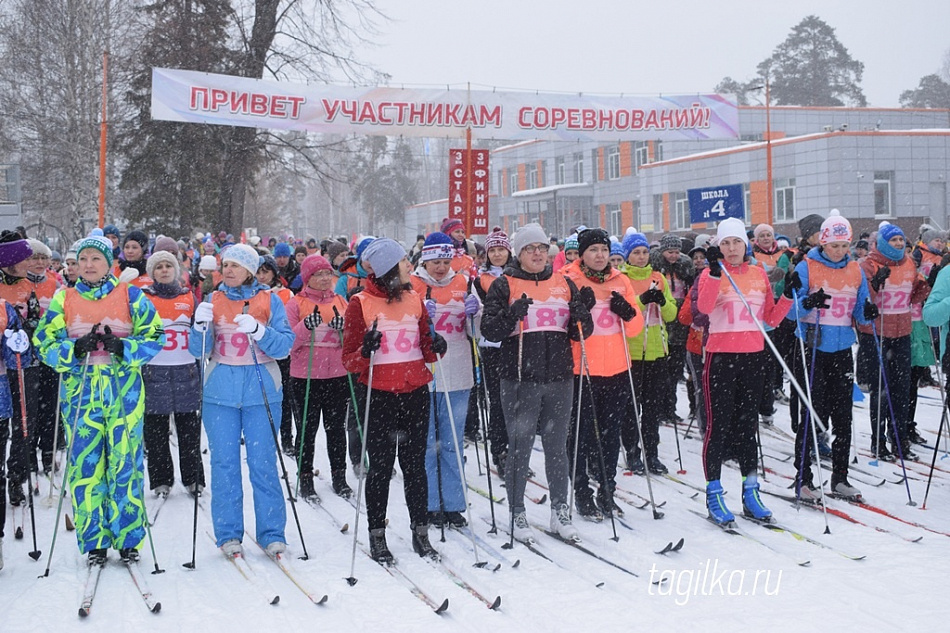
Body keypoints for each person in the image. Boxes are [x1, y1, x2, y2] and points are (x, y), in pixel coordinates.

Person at [33, 232, 164, 563]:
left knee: (125, 463)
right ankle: (95, 540)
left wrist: (125, 347)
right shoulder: (65, 298)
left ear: (110, 264)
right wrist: (74, 349)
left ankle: (129, 537)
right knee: (86, 466)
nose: (88, 265)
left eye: (96, 259)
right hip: (82, 393)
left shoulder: (131, 295)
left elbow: (156, 335)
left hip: (124, 391)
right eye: (82, 260)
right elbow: (44, 343)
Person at [481, 223, 593, 543]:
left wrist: (582, 314)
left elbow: (581, 333)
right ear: (519, 253)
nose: (538, 254)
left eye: (542, 248)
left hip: (559, 376)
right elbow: (490, 331)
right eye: (531, 249)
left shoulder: (564, 282)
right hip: (519, 378)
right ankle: (517, 511)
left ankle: (560, 510)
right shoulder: (505, 284)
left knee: (557, 447)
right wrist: (510, 316)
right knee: (520, 447)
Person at [341, 238, 445, 563]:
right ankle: (377, 535)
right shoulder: (359, 303)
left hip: (414, 391)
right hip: (380, 393)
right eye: (403, 262)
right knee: (381, 468)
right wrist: (365, 350)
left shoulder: (415, 297)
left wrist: (436, 343)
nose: (409, 266)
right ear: (389, 268)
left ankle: (420, 532)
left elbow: (427, 349)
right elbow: (349, 360)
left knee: (415, 467)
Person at [189, 244, 294, 558]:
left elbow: (285, 346)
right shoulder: (212, 300)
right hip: (220, 391)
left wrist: (261, 331)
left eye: (236, 265)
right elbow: (198, 351)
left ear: (250, 269)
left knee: (263, 464)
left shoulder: (269, 300)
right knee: (224, 465)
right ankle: (228, 533)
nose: (229, 270)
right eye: (225, 264)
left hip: (261, 389)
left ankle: (272, 533)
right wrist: (198, 327)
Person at [696, 218, 792, 525]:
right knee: (718, 426)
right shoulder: (711, 272)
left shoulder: (757, 273)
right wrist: (712, 273)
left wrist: (788, 296)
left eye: (737, 242)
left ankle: (751, 492)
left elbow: (770, 319)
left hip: (752, 357)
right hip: (720, 358)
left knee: (748, 427)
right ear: (719, 246)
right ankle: (714, 494)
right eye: (726, 243)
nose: (732, 248)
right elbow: (705, 308)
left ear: (745, 244)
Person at [562, 228, 643, 520]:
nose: (599, 256)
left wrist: (628, 313)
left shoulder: (621, 281)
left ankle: (607, 491)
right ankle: (582, 492)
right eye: (593, 250)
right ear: (582, 253)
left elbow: (635, 329)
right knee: (581, 435)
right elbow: (563, 330)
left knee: (610, 437)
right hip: (581, 368)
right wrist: (579, 311)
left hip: (617, 369)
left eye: (604, 250)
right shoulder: (568, 279)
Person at [789, 210, 870, 501]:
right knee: (812, 413)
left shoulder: (856, 270)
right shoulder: (806, 266)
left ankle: (840, 478)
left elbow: (861, 311)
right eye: (834, 245)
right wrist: (808, 303)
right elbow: (789, 310)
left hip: (842, 349)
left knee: (843, 416)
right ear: (823, 243)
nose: (839, 251)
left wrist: (869, 313)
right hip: (812, 347)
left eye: (844, 245)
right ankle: (803, 477)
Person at [410, 232, 480, 528]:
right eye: (435, 261)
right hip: (424, 373)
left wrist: (476, 315)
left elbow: (477, 332)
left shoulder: (464, 283)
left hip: (458, 372)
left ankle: (452, 503)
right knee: (427, 442)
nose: (441, 267)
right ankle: (428, 502)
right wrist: (419, 317)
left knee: (451, 442)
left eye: (445, 260)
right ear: (425, 259)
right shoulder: (412, 285)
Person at [858, 222, 929, 462]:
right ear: (882, 243)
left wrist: (926, 285)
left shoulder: (908, 263)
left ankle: (899, 439)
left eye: (901, 240)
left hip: (902, 332)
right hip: (875, 334)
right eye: (893, 240)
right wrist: (876, 283)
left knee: (901, 388)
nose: (899, 244)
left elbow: (915, 294)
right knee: (881, 389)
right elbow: (862, 301)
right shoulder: (868, 264)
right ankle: (878, 442)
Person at [285, 254, 353, 500]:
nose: (325, 279)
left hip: (336, 375)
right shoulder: (295, 304)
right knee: (306, 430)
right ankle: (305, 479)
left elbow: (352, 336)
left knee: (336, 429)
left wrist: (343, 326)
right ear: (307, 278)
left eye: (327, 273)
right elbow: (288, 343)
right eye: (318, 274)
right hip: (306, 376)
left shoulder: (341, 301)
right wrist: (305, 326)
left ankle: (339, 477)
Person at [141, 250, 205, 498]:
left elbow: (200, 330)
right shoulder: (144, 298)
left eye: (169, 266)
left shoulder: (188, 297)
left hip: (185, 369)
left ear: (176, 270)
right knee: (155, 429)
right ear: (152, 273)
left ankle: (193, 479)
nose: (164, 270)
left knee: (188, 428)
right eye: (159, 267)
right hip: (154, 370)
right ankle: (160, 480)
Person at [619, 229, 676, 475]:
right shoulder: (621, 279)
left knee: (652, 408)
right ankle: (632, 452)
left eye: (644, 252)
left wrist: (662, 302)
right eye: (636, 253)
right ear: (627, 256)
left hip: (657, 350)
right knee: (632, 406)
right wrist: (642, 299)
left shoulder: (659, 278)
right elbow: (622, 313)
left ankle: (652, 453)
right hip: (631, 351)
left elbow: (672, 314)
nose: (641, 257)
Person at [0, 234, 34, 569]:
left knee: (23, 427)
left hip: (13, 377)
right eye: (23, 259)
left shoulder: (18, 294)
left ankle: (16, 480)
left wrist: (24, 335)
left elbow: (17, 355)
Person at [472, 227, 512, 476]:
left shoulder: (519, 274)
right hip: (491, 345)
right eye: (493, 250)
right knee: (498, 401)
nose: (497, 254)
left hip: (516, 341)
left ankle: (515, 449)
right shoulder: (480, 279)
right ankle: (500, 450)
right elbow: (477, 311)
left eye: (501, 249)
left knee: (517, 402)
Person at [651, 233, 694, 426]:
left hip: (679, 324)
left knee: (675, 371)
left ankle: (671, 408)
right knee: (661, 373)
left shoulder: (684, 267)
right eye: (670, 251)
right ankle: (659, 409)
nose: (674, 255)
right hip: (662, 320)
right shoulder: (656, 267)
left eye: (677, 251)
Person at [257, 255, 297, 456]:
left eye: (266, 271)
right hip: (256, 354)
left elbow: (287, 325)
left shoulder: (284, 294)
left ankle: (286, 437)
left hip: (279, 354)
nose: (261, 276)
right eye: (258, 272)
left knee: (284, 398)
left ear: (274, 273)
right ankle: (261, 436)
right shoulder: (250, 294)